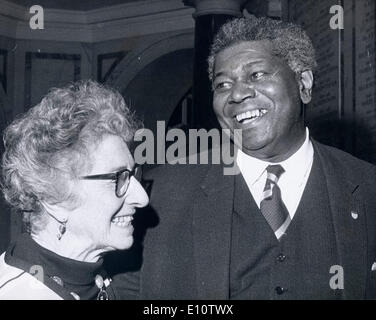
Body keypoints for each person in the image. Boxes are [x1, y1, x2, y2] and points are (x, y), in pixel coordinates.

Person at [114, 16, 376, 299]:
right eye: (222, 85)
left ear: (303, 84)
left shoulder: (366, 187)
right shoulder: (160, 194)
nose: (237, 94)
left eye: (257, 75)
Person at [0, 80, 149, 300]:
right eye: (118, 178)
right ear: (55, 198)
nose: (142, 198)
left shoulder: (97, 279)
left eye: (132, 174)